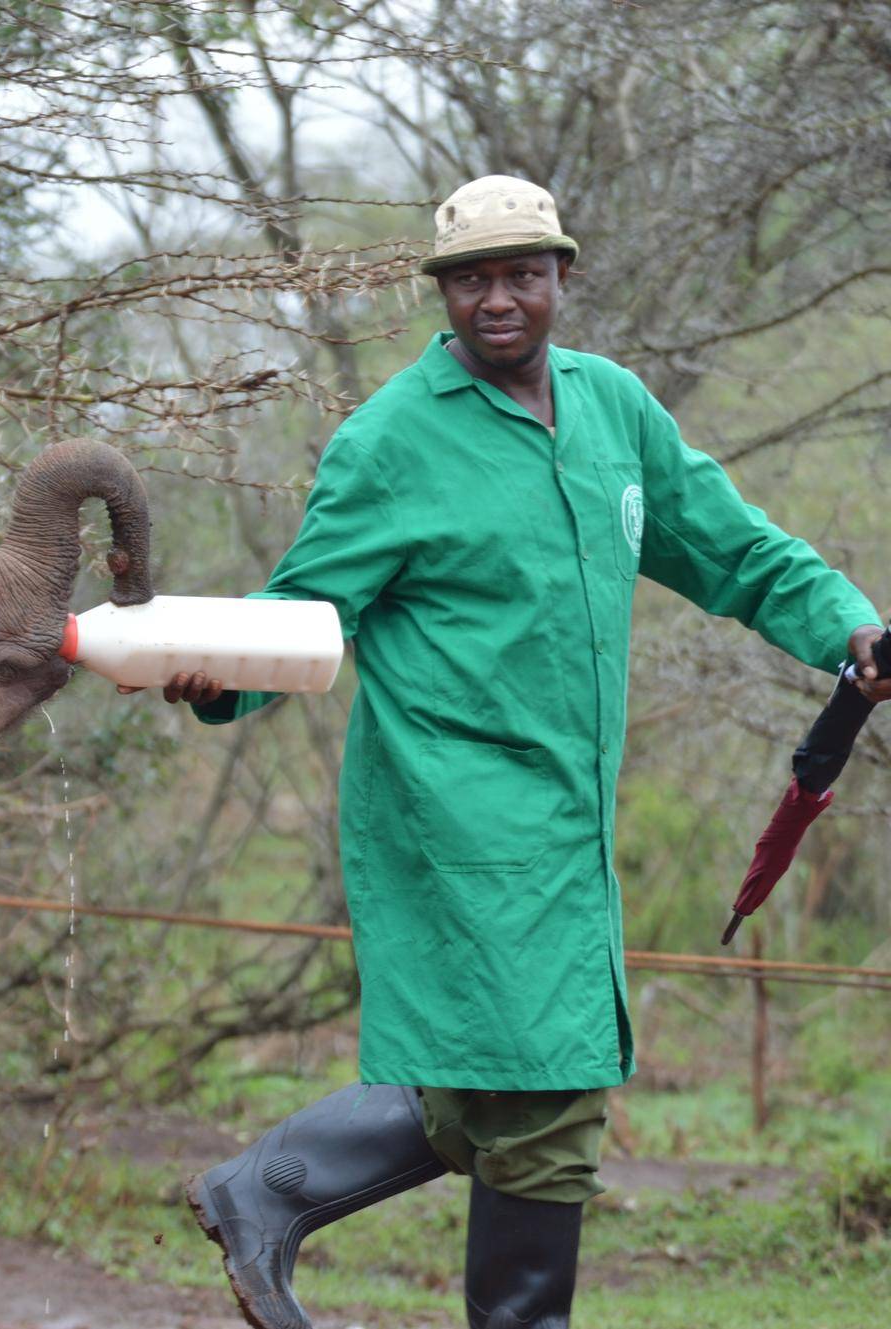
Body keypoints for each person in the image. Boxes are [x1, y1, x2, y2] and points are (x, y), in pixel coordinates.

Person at [149, 175, 888, 1329]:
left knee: (507, 1077)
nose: (496, 300)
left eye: (519, 275)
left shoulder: (612, 411)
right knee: (552, 1086)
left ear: (559, 278)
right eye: (470, 280)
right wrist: (216, 676)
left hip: (567, 818)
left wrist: (849, 627)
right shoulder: (389, 441)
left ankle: (265, 1188)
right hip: (451, 814)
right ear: (442, 292)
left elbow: (735, 550)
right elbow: (306, 611)